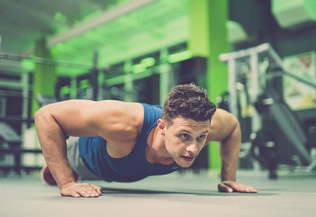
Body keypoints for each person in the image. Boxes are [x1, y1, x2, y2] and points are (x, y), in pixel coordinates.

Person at [35, 83, 257, 198]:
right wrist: (66, 182)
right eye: (184, 136)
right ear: (162, 127)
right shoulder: (124, 122)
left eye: (201, 138)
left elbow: (233, 126)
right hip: (83, 158)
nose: (193, 148)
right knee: (63, 144)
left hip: (122, 170)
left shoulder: (203, 125)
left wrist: (229, 178)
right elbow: (45, 116)